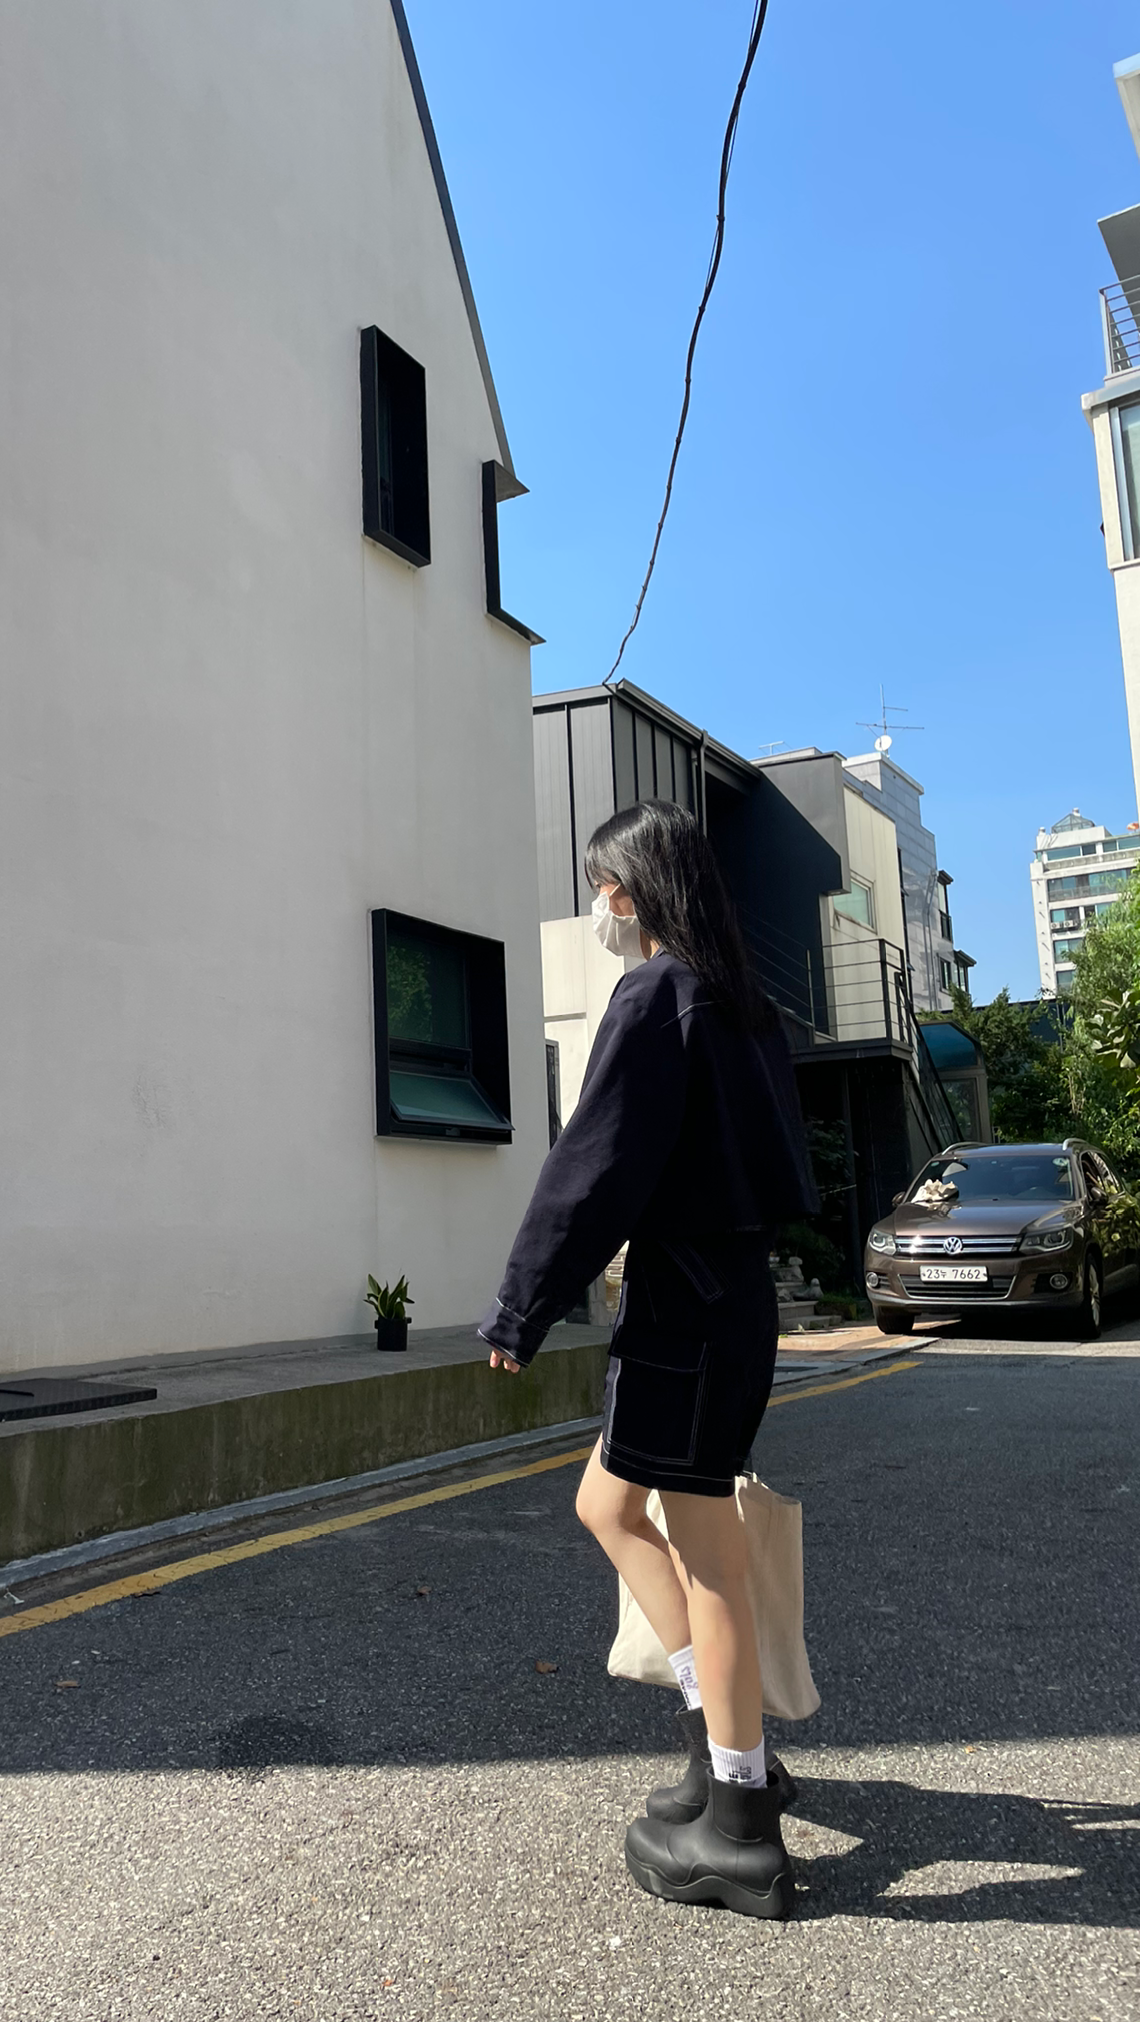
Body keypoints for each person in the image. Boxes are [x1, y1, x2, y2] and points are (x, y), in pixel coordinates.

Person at [478, 800, 818, 1921]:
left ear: (634, 889)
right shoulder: (744, 1005)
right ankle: (720, 1740)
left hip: (683, 1313)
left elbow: (594, 1166)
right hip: (730, 1299)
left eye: (602, 886)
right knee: (608, 1505)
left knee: (707, 1555)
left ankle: (741, 1822)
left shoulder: (658, 995)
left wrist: (521, 1306)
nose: (598, 907)